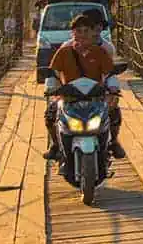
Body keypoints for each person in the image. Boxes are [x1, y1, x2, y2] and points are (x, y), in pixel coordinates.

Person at [43, 11, 126, 161]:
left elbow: (110, 74)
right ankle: (56, 145)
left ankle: (113, 141)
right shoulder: (64, 51)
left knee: (114, 111)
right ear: (72, 33)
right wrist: (51, 88)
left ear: (92, 32)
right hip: (69, 96)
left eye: (86, 31)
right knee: (50, 114)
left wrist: (113, 89)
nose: (82, 35)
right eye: (78, 31)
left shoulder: (102, 51)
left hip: (95, 96)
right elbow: (53, 73)